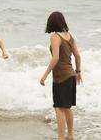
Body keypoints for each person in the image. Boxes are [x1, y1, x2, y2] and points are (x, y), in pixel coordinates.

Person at [40, 11, 82, 140]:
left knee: (59, 107)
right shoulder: (69, 36)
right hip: (71, 75)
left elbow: (55, 58)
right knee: (67, 107)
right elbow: (77, 55)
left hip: (61, 77)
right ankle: (70, 135)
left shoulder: (55, 37)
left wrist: (45, 75)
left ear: (51, 23)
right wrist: (78, 72)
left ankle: (60, 137)